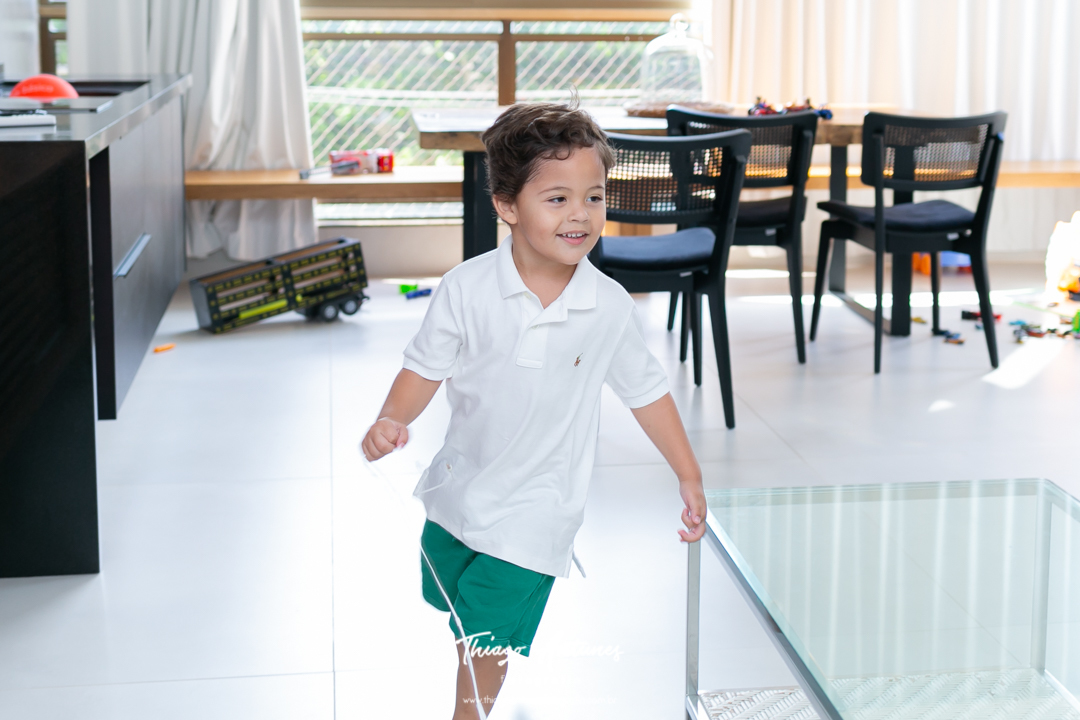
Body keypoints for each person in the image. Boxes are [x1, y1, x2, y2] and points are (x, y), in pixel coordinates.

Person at [361, 101, 706, 719]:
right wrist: (393, 419)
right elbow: (423, 367)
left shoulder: (608, 306)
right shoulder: (465, 288)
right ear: (507, 206)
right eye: (557, 199)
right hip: (460, 489)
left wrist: (688, 471)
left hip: (537, 512)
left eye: (594, 197)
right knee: (456, 605)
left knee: (486, 634)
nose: (581, 214)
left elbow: (646, 393)